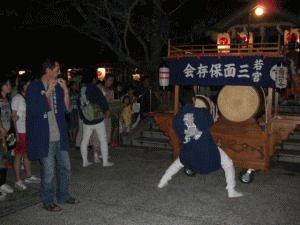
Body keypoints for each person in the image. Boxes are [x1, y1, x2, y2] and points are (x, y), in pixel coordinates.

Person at [157, 87, 244, 199]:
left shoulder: (176, 118)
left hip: (188, 151)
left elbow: (180, 134)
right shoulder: (202, 112)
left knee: (178, 163)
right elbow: (210, 123)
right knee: (228, 163)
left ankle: (162, 182)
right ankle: (231, 191)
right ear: (194, 99)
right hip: (206, 151)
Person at [26, 57, 79, 212]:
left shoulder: (58, 87)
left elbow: (68, 109)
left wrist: (66, 92)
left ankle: (63, 196)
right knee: (48, 172)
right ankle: (48, 201)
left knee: (65, 168)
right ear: (48, 70)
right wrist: (47, 92)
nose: (59, 72)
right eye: (57, 69)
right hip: (44, 137)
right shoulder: (34, 87)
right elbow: (33, 111)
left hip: (59, 134)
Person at [11, 73, 40, 191]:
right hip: (20, 131)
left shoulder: (28, 97)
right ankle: (18, 180)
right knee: (18, 155)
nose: (29, 86)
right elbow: (13, 117)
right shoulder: (17, 98)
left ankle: (29, 175)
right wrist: (16, 134)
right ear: (23, 85)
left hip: (28, 130)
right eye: (27, 84)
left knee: (27, 154)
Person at [79, 73, 114, 168]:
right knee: (102, 139)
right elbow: (102, 100)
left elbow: (80, 104)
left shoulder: (82, 89)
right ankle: (105, 162)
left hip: (87, 119)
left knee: (85, 140)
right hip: (96, 118)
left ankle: (85, 161)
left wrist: (82, 116)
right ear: (93, 79)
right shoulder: (94, 88)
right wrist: (106, 110)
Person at [0, 76, 15, 197]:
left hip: (7, 133)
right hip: (1, 134)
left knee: (5, 159)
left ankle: (2, 183)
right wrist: (1, 129)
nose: (9, 87)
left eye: (10, 84)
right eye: (7, 84)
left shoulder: (7, 99)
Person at [67, 81, 80, 147]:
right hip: (70, 109)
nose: (75, 86)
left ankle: (74, 138)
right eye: (74, 85)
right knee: (71, 124)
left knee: (75, 124)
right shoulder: (69, 93)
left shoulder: (77, 92)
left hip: (76, 109)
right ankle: (71, 138)